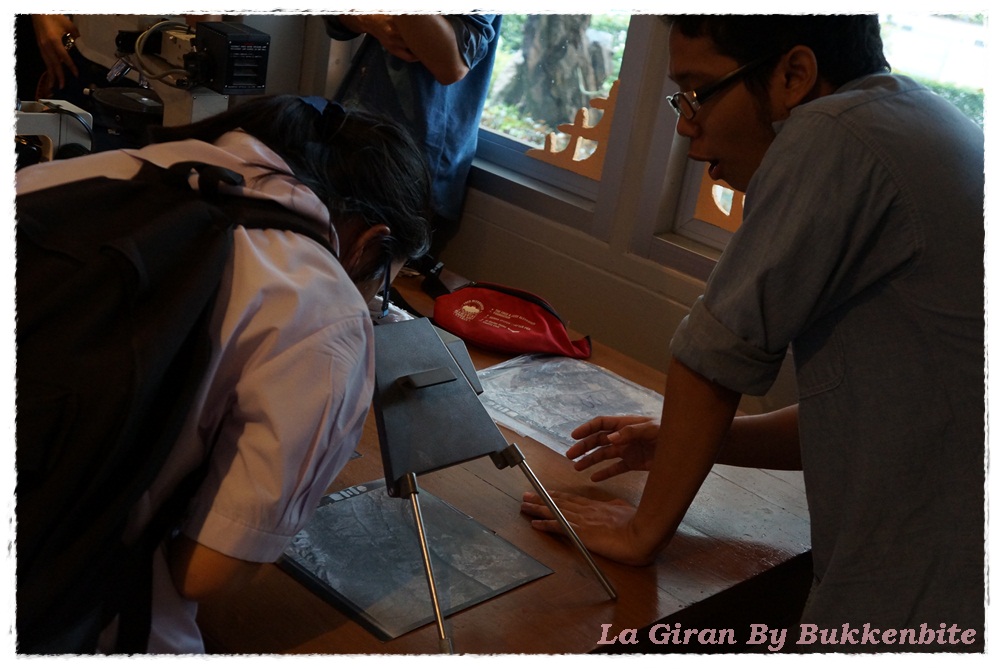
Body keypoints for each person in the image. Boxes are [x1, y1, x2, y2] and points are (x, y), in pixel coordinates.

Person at [520, 15, 985, 650]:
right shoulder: (917, 118)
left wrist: (640, 531)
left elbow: (712, 358)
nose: (687, 125)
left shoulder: (831, 133)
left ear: (794, 75)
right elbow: (877, 413)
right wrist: (678, 440)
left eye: (698, 91)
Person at [15, 94, 432, 652]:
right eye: (382, 287)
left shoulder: (70, 175)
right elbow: (204, 572)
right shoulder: (322, 307)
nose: (373, 303)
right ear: (370, 243)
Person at [325, 14, 501, 259]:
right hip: (353, 128)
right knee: (315, 262)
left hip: (411, 160)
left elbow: (451, 62)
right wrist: (372, 21)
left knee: (359, 271)